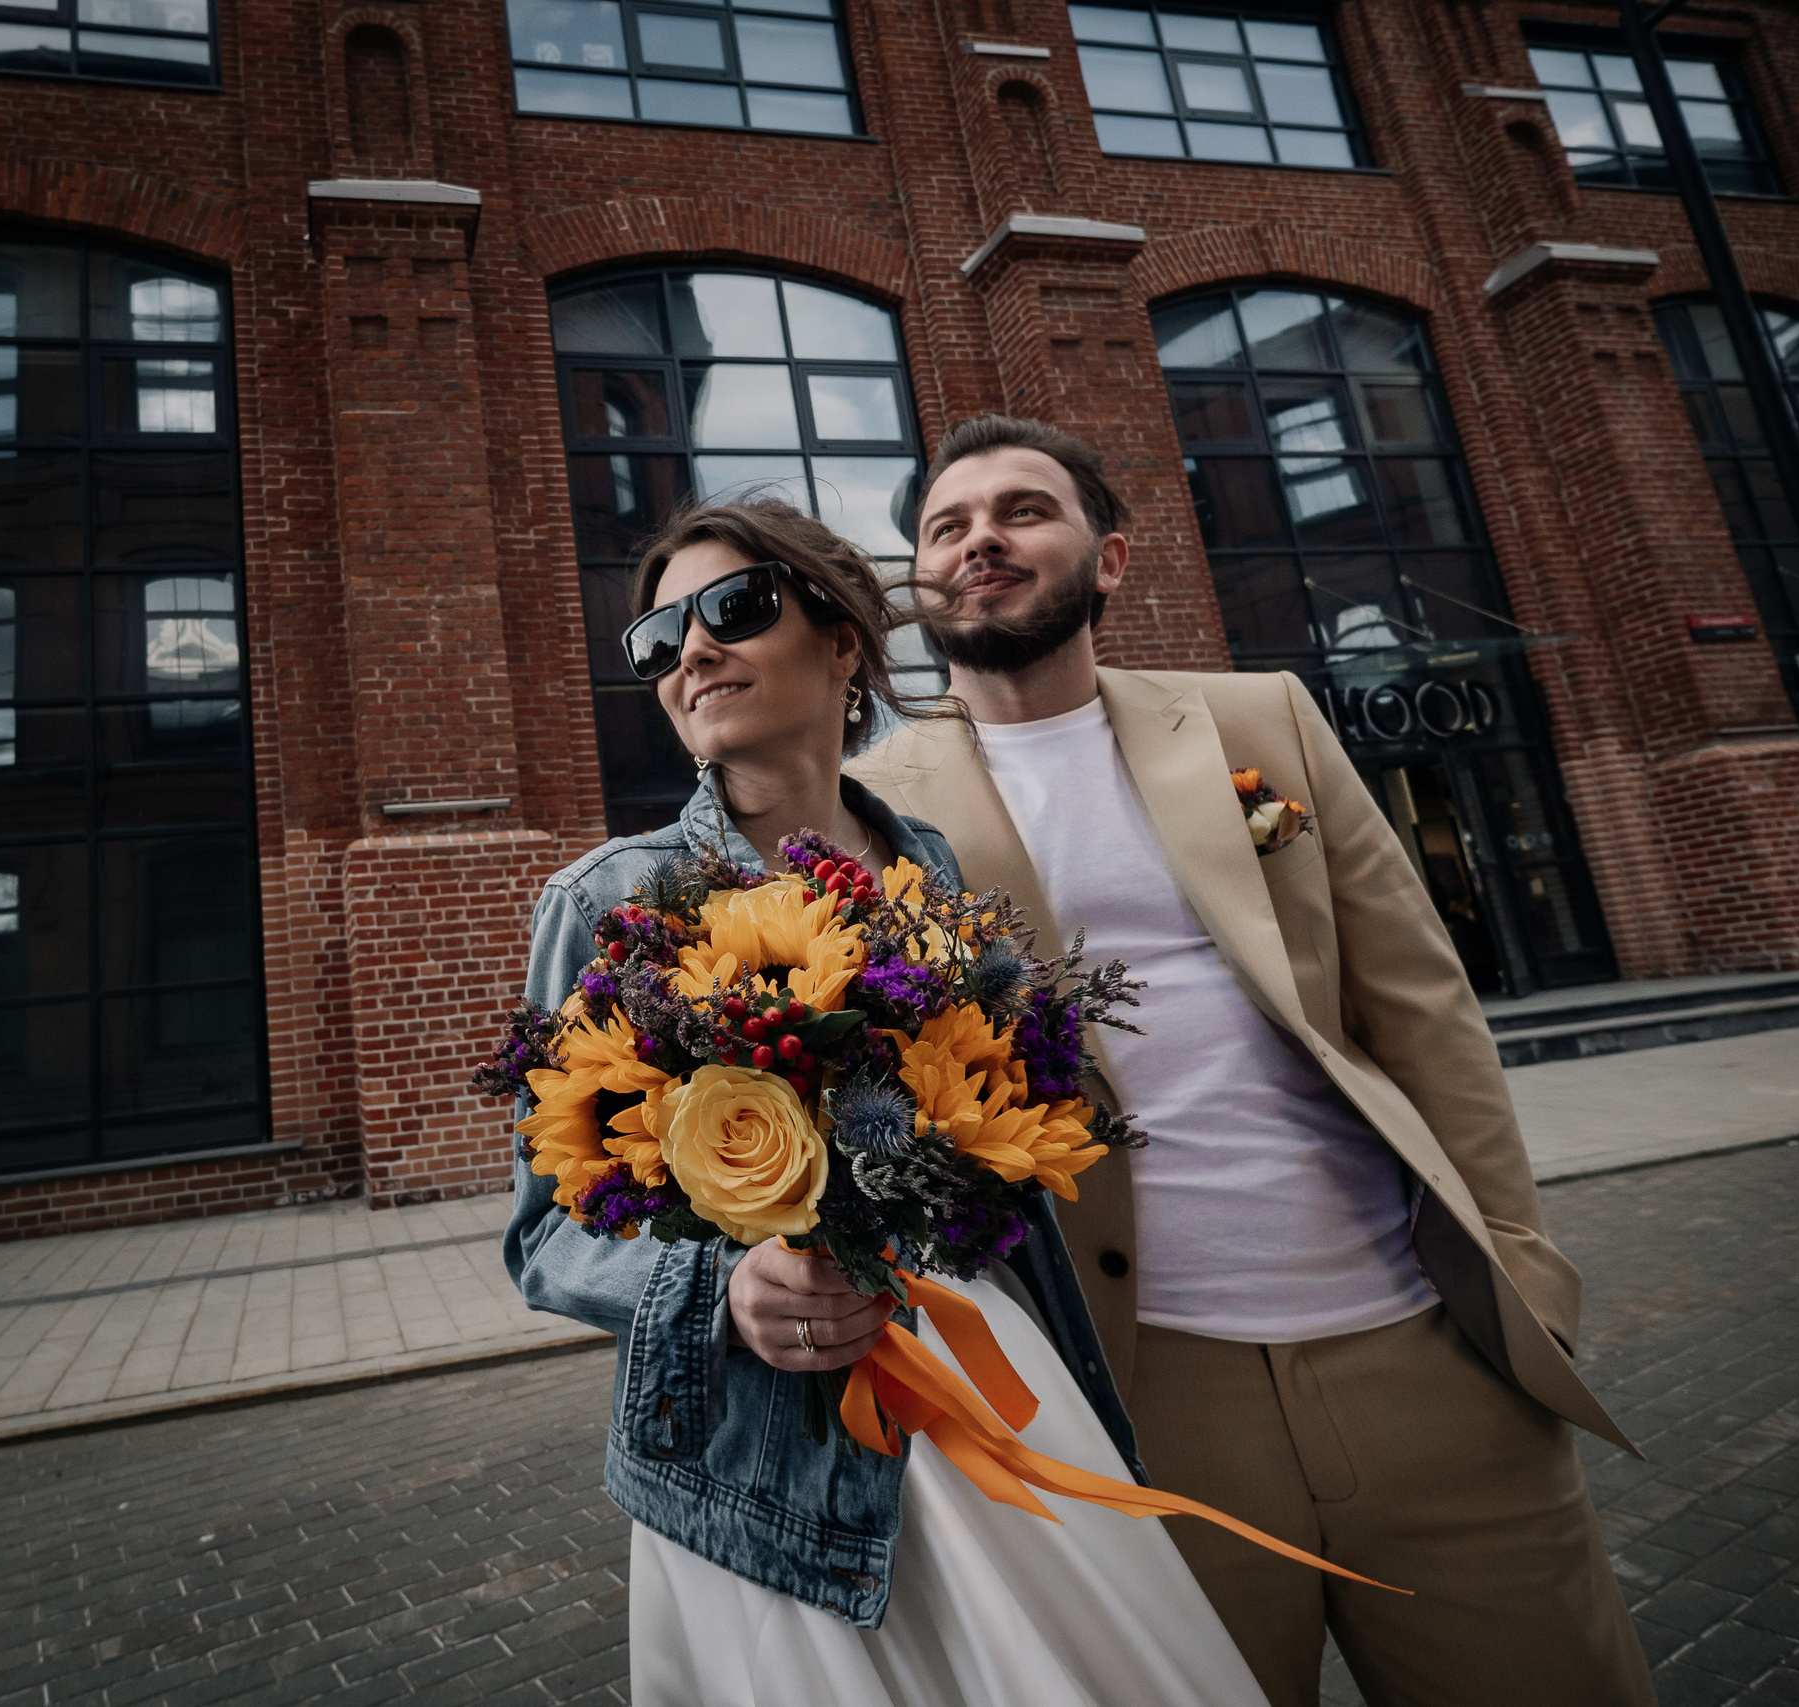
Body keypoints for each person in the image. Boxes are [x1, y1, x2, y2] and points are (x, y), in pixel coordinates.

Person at [849, 414, 1654, 1707]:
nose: (981, 538)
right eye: (948, 525)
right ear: (923, 576)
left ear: (1108, 558)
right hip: (1142, 1387)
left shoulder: (1257, 716)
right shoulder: (870, 804)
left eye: (1022, 510)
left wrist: (1519, 1262)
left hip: (1426, 1347)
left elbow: (1423, 1008)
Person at [502, 497, 1272, 1706]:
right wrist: (724, 1280)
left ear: (842, 639)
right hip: (766, 1448)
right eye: (656, 638)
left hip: (990, 1367)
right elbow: (546, 1232)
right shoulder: (613, 896)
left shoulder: (929, 865)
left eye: (734, 608)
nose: (690, 653)